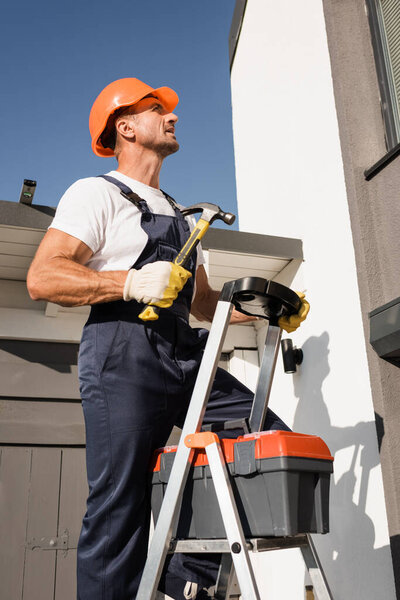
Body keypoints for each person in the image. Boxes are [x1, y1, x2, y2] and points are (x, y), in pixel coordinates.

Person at [27, 78, 309, 600]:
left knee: (258, 440)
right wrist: (128, 282)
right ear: (125, 127)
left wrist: (266, 313)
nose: (173, 117)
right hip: (122, 349)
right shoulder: (96, 193)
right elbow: (44, 277)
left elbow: (202, 304)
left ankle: (188, 582)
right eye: (157, 110)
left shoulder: (180, 215)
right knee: (120, 504)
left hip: (185, 351)